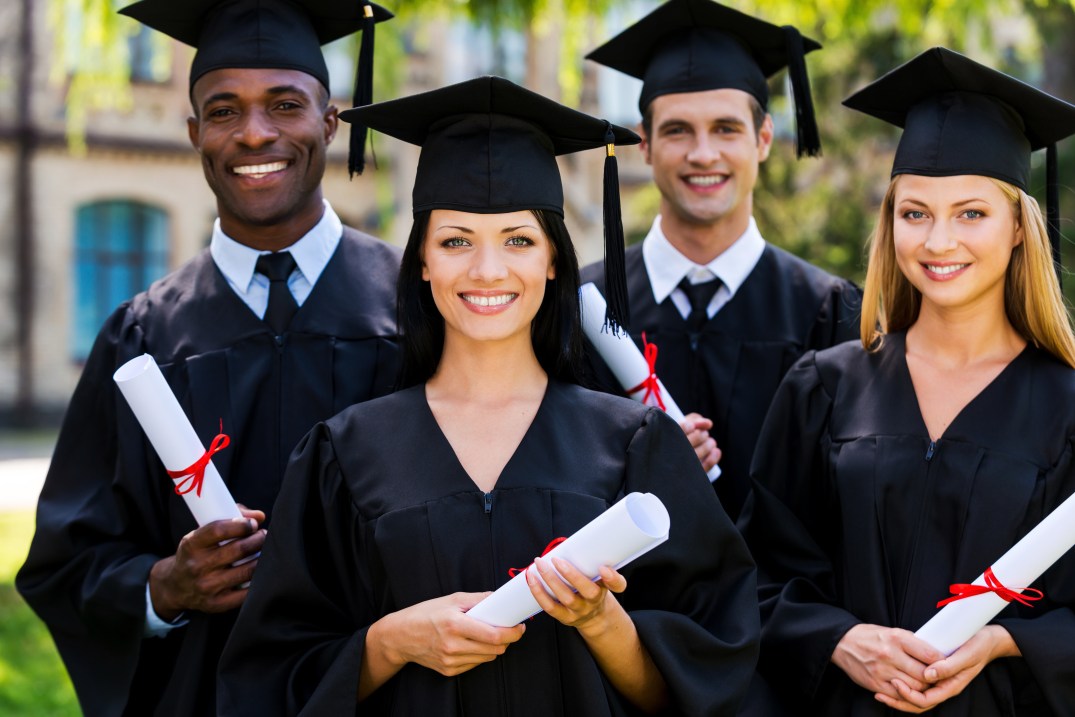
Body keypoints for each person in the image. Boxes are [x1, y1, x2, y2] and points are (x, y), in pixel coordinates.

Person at [217, 75, 759, 716]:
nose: (487, 271)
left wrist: (599, 619)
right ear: (421, 259)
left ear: (554, 260)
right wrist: (392, 642)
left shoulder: (634, 445)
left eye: (519, 240)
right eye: (455, 242)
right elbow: (269, 679)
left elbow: (704, 686)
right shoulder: (345, 454)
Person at [15, 1, 399, 715]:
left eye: (284, 105)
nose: (254, 132)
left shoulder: (417, 311)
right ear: (194, 132)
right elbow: (67, 563)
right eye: (224, 110)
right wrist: (163, 586)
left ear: (329, 122)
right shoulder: (143, 335)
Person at [740, 47, 1075, 715]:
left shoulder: (1066, 406)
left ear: (1017, 228)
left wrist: (1005, 641)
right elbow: (751, 579)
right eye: (914, 211)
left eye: (970, 213)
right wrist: (838, 637)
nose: (937, 240)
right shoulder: (823, 389)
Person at [582, 0, 862, 521]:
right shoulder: (586, 310)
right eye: (677, 130)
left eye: (726, 129)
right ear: (643, 144)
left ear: (763, 139)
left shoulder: (826, 311)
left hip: (785, 600)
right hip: (621, 600)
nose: (703, 153)